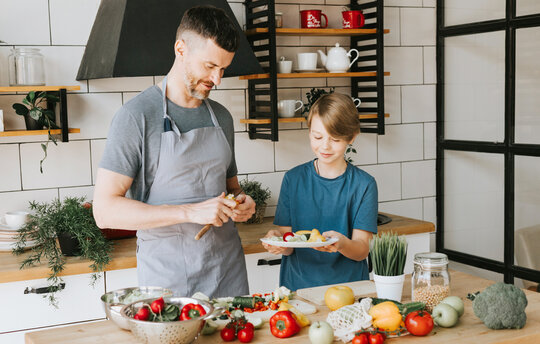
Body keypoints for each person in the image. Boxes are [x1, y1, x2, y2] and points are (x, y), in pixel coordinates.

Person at [92, 5, 255, 298]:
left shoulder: (222, 117)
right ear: (181, 49)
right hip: (169, 279)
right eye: (209, 66)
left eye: (223, 69)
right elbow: (104, 212)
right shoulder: (136, 117)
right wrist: (190, 211)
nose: (217, 79)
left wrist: (242, 204)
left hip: (227, 270)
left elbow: (231, 189)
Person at [262, 93, 378, 291]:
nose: (325, 146)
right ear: (309, 132)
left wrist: (341, 244)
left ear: (352, 137)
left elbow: (361, 251)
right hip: (298, 289)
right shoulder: (293, 179)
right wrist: (278, 242)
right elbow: (289, 243)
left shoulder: (364, 184)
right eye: (317, 136)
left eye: (335, 139)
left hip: (349, 290)